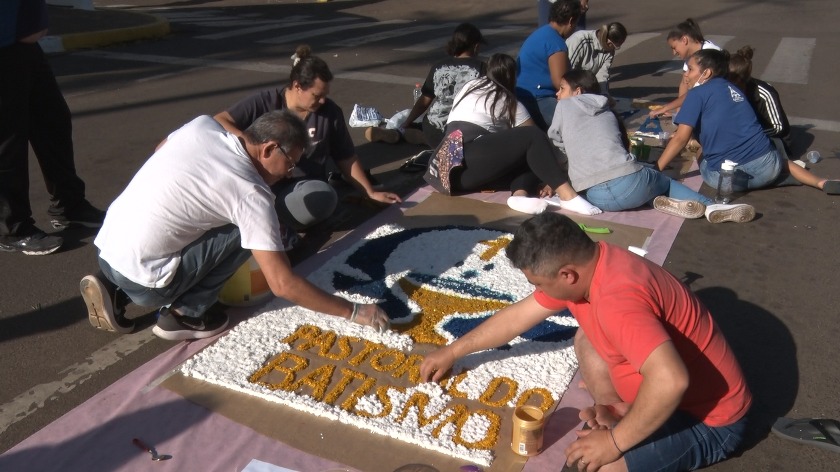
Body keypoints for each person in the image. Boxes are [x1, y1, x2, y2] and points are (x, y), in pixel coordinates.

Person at [420, 212, 754, 472]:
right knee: (586, 335)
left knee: (595, 463)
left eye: (540, 283)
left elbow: (671, 380)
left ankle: (622, 424)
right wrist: (453, 351)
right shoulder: (597, 261)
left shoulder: (617, 301)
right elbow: (516, 318)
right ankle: (616, 407)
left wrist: (613, 442)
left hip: (709, 420)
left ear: (567, 274)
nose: (539, 292)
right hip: (661, 389)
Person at [80, 111, 391, 341]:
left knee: (195, 213)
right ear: (269, 149)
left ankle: (115, 284)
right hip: (146, 284)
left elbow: (161, 148)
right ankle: (187, 314)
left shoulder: (202, 126)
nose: (289, 173)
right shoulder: (251, 195)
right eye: (291, 164)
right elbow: (283, 284)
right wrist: (353, 312)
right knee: (243, 230)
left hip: (108, 245)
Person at [214, 45, 401, 245]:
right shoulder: (266, 101)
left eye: (325, 95)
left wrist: (369, 192)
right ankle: (260, 224)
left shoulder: (330, 113)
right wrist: (251, 143)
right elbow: (220, 120)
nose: (322, 100)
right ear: (297, 86)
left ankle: (268, 224)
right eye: (316, 95)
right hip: (258, 186)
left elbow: (346, 157)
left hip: (298, 189)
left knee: (323, 197)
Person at [548, 70, 755, 223]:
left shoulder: (564, 107)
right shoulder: (608, 111)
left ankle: (662, 201)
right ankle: (710, 206)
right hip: (633, 185)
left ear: (578, 92)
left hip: (595, 196)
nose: (558, 94)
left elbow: (555, 141)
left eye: (562, 89)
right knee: (660, 180)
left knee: (640, 178)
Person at [656, 49, 840, 196]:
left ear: (706, 73)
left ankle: (751, 183)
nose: (685, 74)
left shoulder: (696, 94)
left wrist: (656, 170)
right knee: (783, 161)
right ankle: (820, 182)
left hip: (729, 180)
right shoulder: (733, 89)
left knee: (701, 152)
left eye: (690, 69)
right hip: (769, 167)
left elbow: (680, 139)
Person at [0, 0, 105, 256]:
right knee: (9, 140)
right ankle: (13, 229)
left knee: (53, 122)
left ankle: (70, 206)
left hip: (26, 48)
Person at [439, 53, 600, 215]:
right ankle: (568, 196)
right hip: (466, 157)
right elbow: (537, 140)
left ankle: (519, 196)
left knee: (531, 160)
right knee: (533, 138)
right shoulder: (506, 99)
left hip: (450, 171)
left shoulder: (470, 86)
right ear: (513, 77)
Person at [367, 23, 487, 149]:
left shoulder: (439, 67)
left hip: (433, 127)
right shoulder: (483, 69)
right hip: (462, 131)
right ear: (476, 46)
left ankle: (401, 133)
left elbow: (424, 101)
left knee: (421, 126)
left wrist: (407, 122)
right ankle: (425, 139)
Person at [517, 0, 581, 130]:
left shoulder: (541, 33)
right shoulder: (556, 43)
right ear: (571, 21)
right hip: (537, 99)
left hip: (520, 94)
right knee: (576, 125)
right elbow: (561, 83)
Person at [649, 18, 721, 119]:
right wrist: (678, 114)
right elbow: (684, 84)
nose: (674, 53)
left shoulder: (710, 54)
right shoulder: (690, 56)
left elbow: (695, 92)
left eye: (674, 47)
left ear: (684, 40)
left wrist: (666, 108)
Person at [727, 45, 792, 156]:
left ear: (739, 80)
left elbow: (778, 127)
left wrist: (748, 135)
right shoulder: (725, 90)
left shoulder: (764, 94)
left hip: (770, 139)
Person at [565, 22, 627, 95]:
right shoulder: (580, 40)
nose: (614, 50)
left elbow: (603, 74)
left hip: (583, 86)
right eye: (615, 47)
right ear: (609, 42)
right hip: (568, 83)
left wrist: (604, 94)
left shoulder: (609, 50)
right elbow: (568, 71)